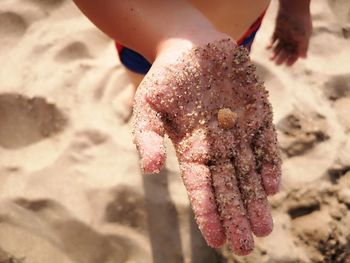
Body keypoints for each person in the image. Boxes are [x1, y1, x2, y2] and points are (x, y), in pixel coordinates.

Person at [72, 0, 312, 256]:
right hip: (140, 25)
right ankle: (137, 89)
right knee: (141, 73)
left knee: (228, 66)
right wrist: (166, 38)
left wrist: (295, 7)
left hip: (233, 37)